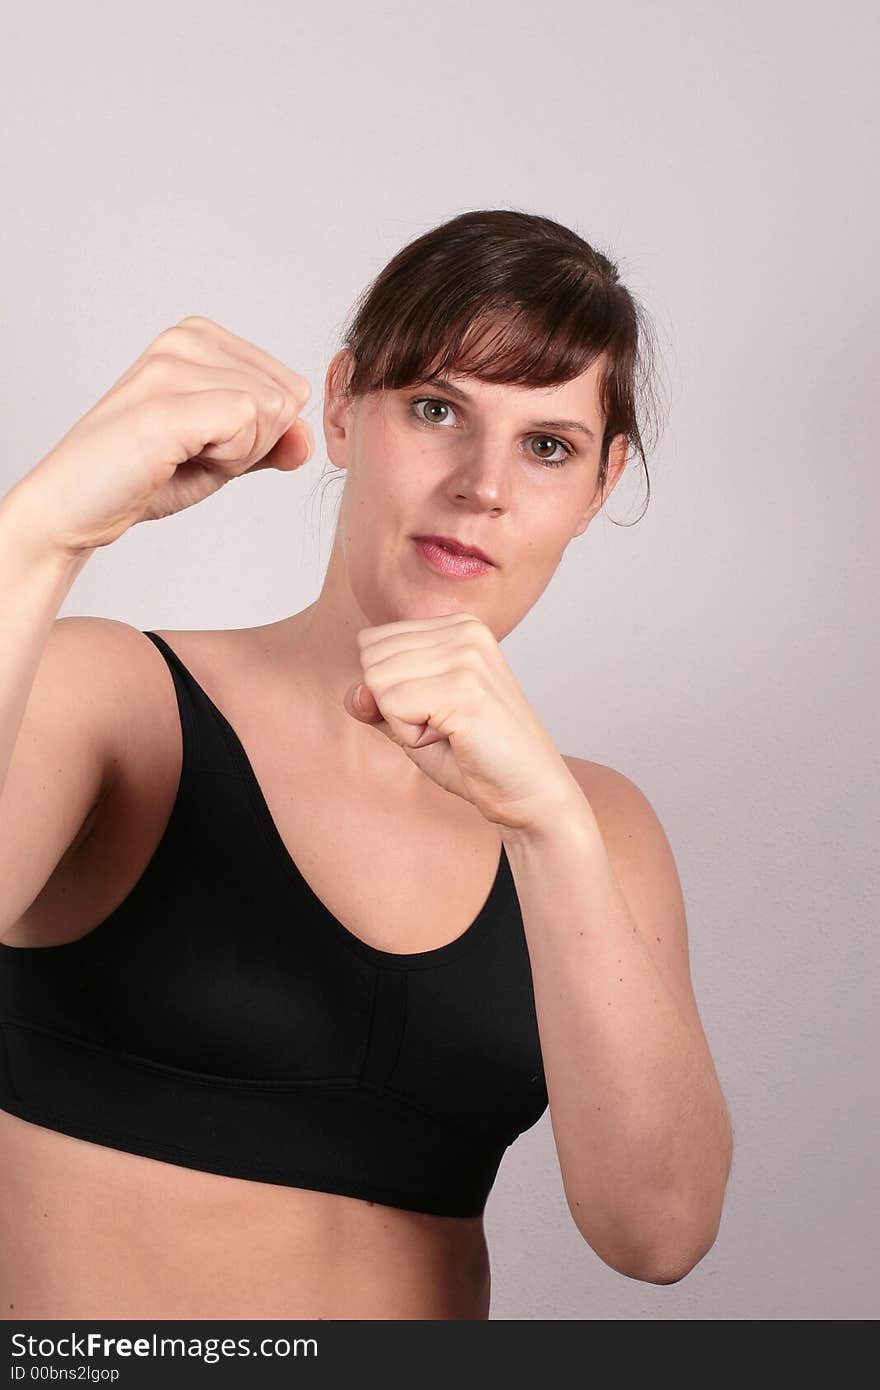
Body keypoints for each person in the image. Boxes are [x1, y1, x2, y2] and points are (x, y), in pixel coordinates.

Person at [0, 209, 733, 1320]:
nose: (483, 483)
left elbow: (661, 1231)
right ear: (343, 406)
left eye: (547, 445)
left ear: (600, 482)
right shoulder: (117, 705)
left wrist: (545, 826)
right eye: (437, 409)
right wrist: (40, 532)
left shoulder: (595, 824)